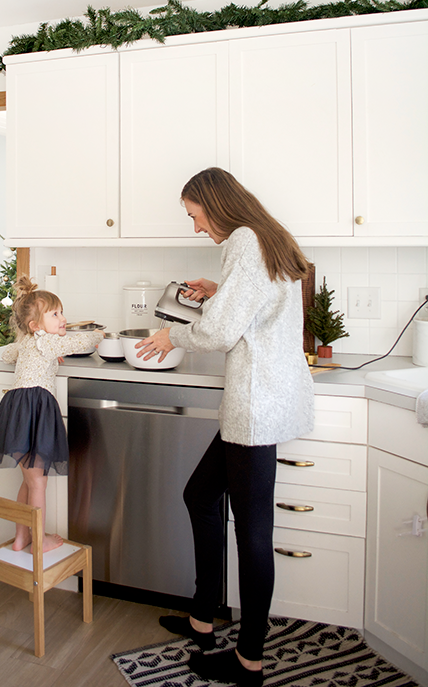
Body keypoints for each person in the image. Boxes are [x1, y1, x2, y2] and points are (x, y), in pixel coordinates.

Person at [136, 167, 314, 687]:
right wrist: (221, 289)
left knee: (255, 533)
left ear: (214, 205)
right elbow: (261, 303)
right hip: (266, 398)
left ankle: (249, 662)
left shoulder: (243, 239)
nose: (195, 228)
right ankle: (202, 616)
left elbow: (219, 331)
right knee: (200, 495)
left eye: (194, 216)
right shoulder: (268, 236)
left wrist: (172, 334)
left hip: (255, 405)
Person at [0, 276, 104, 553]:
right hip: (36, 411)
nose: (62, 318)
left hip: (16, 411)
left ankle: (22, 537)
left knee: (28, 481)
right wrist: (98, 336)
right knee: (38, 483)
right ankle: (39, 540)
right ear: (36, 325)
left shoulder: (29, 342)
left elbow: (9, 354)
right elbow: (76, 343)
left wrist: (37, 352)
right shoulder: (50, 342)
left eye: (61, 312)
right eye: (54, 314)